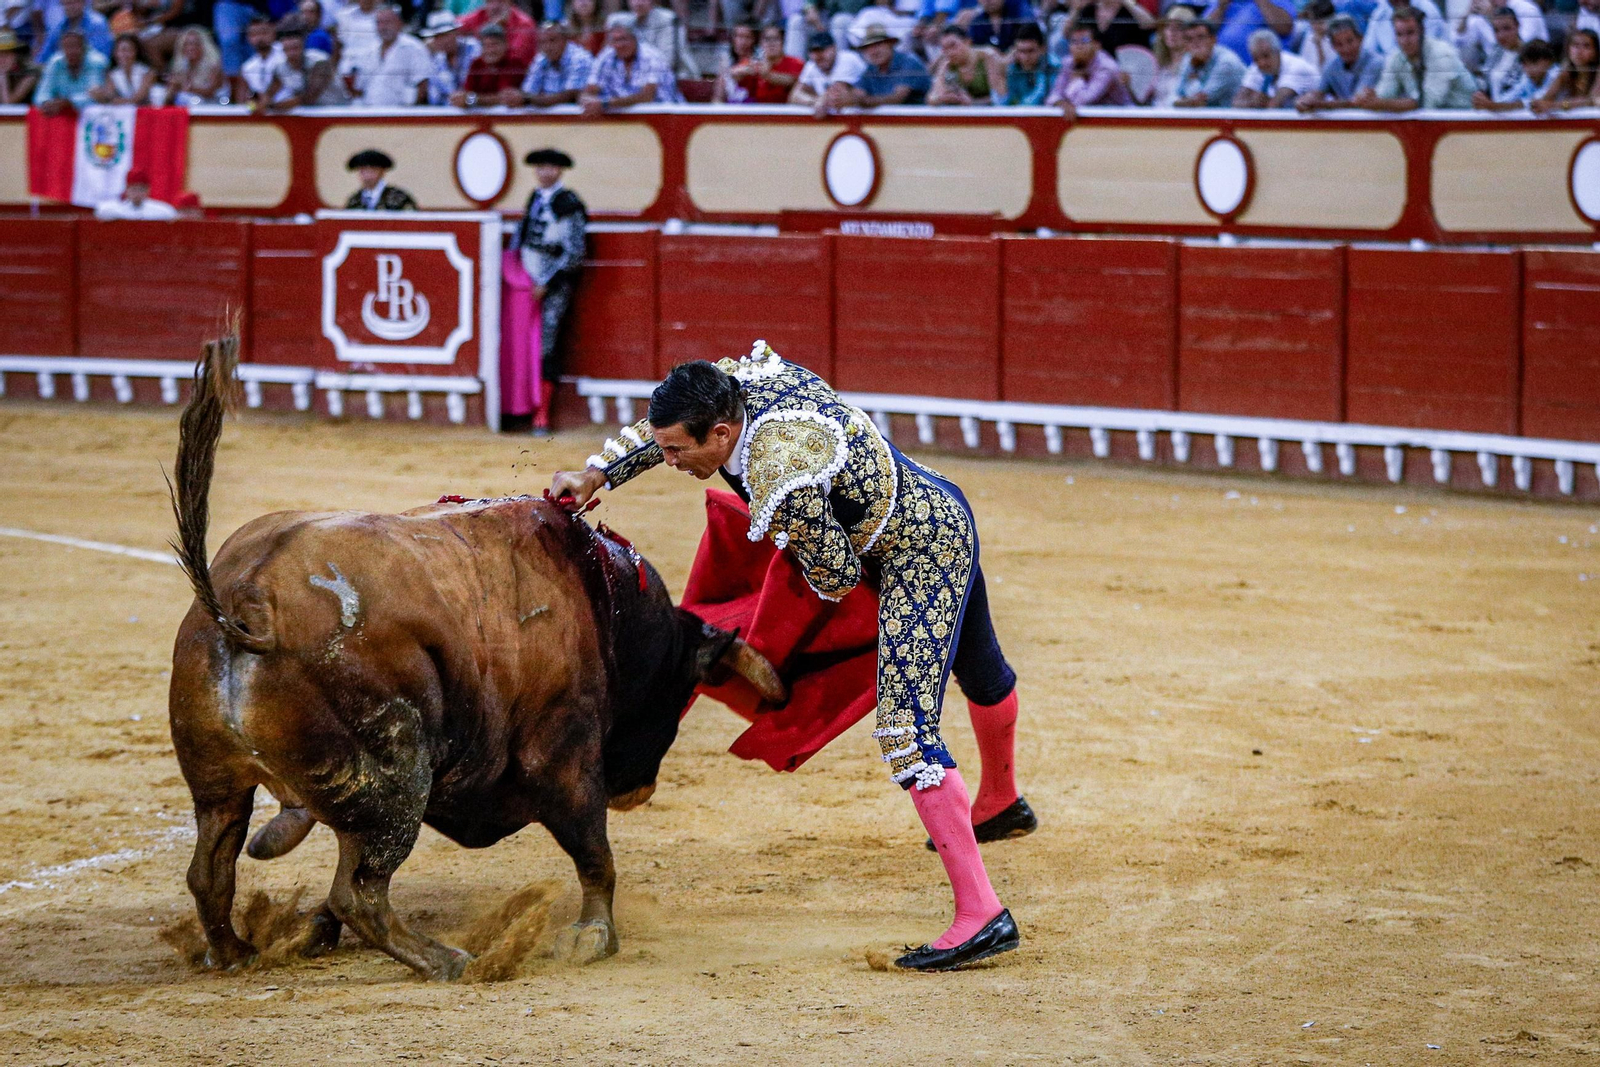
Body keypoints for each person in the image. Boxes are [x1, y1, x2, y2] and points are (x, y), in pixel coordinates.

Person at [549, 345, 1034, 972]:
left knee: (907, 733)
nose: (669, 461)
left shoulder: (783, 469)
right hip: (936, 507)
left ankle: (982, 915)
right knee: (979, 668)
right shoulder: (733, 388)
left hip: (920, 554)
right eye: (664, 450)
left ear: (722, 433)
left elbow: (833, 574)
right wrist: (599, 475)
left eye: (678, 452)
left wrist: (764, 598)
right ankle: (1000, 803)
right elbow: (664, 424)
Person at [509, 148, 586, 434]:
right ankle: (523, 407)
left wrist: (548, 284)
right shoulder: (534, 198)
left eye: (550, 167)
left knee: (545, 347)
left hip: (553, 288)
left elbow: (575, 253)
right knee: (522, 346)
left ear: (559, 171)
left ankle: (541, 414)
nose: (544, 172)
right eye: (540, 167)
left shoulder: (568, 203)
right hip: (526, 285)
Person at [1354, 3, 1473, 107]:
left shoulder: (1441, 53)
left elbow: (1427, 103)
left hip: (1472, 123)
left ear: (1422, 31)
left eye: (1410, 33)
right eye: (1399, 34)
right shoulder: (1396, 57)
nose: (1404, 41)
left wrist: (1379, 103)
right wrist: (1369, 97)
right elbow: (1384, 94)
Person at [579, 19, 681, 113]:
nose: (620, 45)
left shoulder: (651, 57)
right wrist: (586, 100)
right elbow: (590, 90)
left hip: (665, 116)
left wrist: (605, 103)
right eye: (615, 40)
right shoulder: (606, 56)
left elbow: (646, 97)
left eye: (624, 39)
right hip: (624, 119)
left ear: (635, 38)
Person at [343, 4, 431, 106]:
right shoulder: (369, 50)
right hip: (370, 113)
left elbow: (422, 86)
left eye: (387, 22)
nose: (383, 27)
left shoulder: (414, 48)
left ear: (400, 23)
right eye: (379, 23)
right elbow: (359, 87)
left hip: (401, 114)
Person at [1294, 12, 1379, 106]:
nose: (1346, 49)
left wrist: (1319, 104)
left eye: (1350, 41)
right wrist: (1306, 100)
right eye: (1339, 44)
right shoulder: (1331, 65)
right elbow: (1317, 93)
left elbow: (1357, 101)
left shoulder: (1375, 62)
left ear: (1360, 39)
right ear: (1332, 46)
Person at [1046, 18, 1131, 111]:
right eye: (1074, 41)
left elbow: (1083, 101)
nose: (1078, 46)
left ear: (1097, 45)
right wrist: (1060, 103)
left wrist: (1077, 79)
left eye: (1084, 41)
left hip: (1120, 117)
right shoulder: (1068, 62)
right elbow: (1053, 96)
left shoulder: (1106, 66)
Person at [504, 19, 591, 105]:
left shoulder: (579, 58)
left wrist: (526, 99)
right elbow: (528, 90)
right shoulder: (541, 59)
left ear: (565, 39)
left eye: (552, 40)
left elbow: (570, 96)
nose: (548, 47)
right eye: (543, 42)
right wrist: (517, 97)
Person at [847, 21, 931, 104]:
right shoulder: (871, 68)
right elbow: (859, 92)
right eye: (868, 47)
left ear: (890, 44)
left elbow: (897, 98)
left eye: (878, 44)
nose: (873, 51)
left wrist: (863, 101)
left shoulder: (909, 63)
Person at [1234, 24, 1316, 102]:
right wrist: (1253, 102)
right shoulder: (1256, 66)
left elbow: (1275, 105)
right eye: (1256, 59)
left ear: (1277, 52)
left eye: (1266, 56)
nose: (1262, 63)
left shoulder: (1296, 68)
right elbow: (1237, 102)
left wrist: (1255, 102)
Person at [927, 23, 1006, 103]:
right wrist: (942, 98)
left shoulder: (988, 56)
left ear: (967, 42)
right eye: (944, 48)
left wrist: (972, 103)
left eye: (953, 46)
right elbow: (931, 98)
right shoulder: (947, 63)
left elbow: (1000, 98)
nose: (949, 53)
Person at [449, 23, 527, 104]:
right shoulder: (477, 63)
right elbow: (466, 93)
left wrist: (472, 99)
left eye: (494, 45)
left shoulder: (513, 62)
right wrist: (462, 98)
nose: (490, 50)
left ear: (506, 44)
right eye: (485, 45)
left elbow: (504, 98)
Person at [616, 0, 697, 76]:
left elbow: (667, 61)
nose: (639, 3)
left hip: (677, 76)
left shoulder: (669, 20)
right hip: (638, 76)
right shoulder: (624, 22)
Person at [1172, 17, 1244, 103]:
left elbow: (1199, 100)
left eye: (1200, 37)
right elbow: (1177, 92)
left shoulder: (1226, 62)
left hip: (1236, 114)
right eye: (1189, 39)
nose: (1195, 42)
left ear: (1213, 40)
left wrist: (1176, 102)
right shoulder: (1189, 58)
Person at [789, 28, 866, 107]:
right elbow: (794, 96)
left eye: (822, 50)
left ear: (834, 48)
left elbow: (836, 95)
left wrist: (819, 100)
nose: (819, 55)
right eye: (814, 51)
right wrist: (814, 101)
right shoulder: (811, 65)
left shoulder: (848, 58)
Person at [34, 27, 106, 111]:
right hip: (62, 113)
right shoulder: (55, 62)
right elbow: (42, 93)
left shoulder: (97, 62)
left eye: (75, 46)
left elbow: (96, 96)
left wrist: (69, 102)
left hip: (91, 114)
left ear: (84, 47)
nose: (71, 51)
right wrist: (46, 103)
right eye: (66, 47)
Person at [261, 26, 335, 106]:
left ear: (303, 47)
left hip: (337, 110)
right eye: (287, 49)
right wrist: (262, 104)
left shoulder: (320, 61)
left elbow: (310, 97)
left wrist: (276, 106)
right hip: (307, 113)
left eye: (295, 48)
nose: (292, 53)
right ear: (283, 50)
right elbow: (269, 94)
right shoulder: (281, 67)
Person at [420, 10, 480, 105]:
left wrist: (468, 99)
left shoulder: (475, 48)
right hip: (449, 114)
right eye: (437, 37)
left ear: (456, 32)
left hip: (479, 110)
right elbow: (435, 99)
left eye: (445, 35)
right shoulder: (436, 63)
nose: (441, 41)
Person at [1531, 27, 1598, 111]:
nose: (1579, 51)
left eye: (1586, 46)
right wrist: (1539, 103)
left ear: (1595, 53)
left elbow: (1591, 100)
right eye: (1575, 45)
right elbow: (1547, 98)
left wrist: (1554, 105)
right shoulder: (1567, 70)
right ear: (1568, 49)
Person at [1201, 0, 1291, 59]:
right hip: (1222, 68)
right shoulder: (1219, 3)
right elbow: (1201, 34)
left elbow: (1284, 29)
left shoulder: (1277, 1)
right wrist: (1221, 8)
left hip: (1261, 70)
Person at [460, 0, 540, 63]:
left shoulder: (524, 24)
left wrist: (496, 29)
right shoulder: (480, 15)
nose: (495, 6)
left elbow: (517, 58)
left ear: (510, 2)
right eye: (490, 1)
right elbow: (454, 26)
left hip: (514, 77)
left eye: (500, 1)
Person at [37, 0, 112, 63]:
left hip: (91, 71)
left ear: (83, 2)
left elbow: (101, 58)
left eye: (74, 2)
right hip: (61, 72)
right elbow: (43, 57)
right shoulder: (59, 26)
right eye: (66, 4)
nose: (70, 7)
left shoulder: (97, 23)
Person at [165, 25, 224, 103]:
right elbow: (169, 99)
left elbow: (210, 92)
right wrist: (172, 89)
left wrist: (184, 86)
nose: (190, 48)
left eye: (195, 44)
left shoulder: (214, 66)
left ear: (204, 46)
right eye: (186, 44)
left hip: (213, 106)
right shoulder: (180, 67)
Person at [89, 31, 154, 102]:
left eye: (128, 50)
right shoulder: (112, 75)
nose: (124, 55)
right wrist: (101, 95)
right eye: (120, 51)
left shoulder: (148, 72)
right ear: (115, 53)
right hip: (126, 110)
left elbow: (138, 98)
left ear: (136, 52)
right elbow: (110, 96)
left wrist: (117, 101)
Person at [344, 148, 418, 210]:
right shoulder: (354, 200)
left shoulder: (399, 198)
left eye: (372, 171)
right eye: (363, 171)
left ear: (382, 172)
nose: (367, 176)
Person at [1003, 20, 1058, 102]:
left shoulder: (1053, 66)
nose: (1025, 57)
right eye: (1021, 51)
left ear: (1042, 49)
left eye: (1030, 51)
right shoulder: (1013, 67)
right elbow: (1007, 100)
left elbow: (1040, 98)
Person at [1149, 3, 1193, 104]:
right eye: (1168, 27)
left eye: (1179, 27)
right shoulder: (1158, 62)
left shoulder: (1193, 64)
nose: (1172, 32)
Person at [93, 168, 177, 219]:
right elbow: (101, 211)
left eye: (141, 189)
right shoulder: (112, 210)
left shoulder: (163, 211)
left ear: (148, 190)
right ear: (126, 190)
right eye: (133, 189)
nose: (137, 193)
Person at [238, 15, 275, 103]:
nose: (260, 38)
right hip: (259, 112)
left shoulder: (286, 56)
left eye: (264, 32)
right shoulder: (247, 67)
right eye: (254, 34)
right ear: (248, 38)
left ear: (273, 33)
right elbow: (242, 100)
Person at [0, 28, 38, 103]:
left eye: (6, 54)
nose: (2, 59)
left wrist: (2, 77)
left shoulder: (29, 74)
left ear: (15, 55)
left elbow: (8, 105)